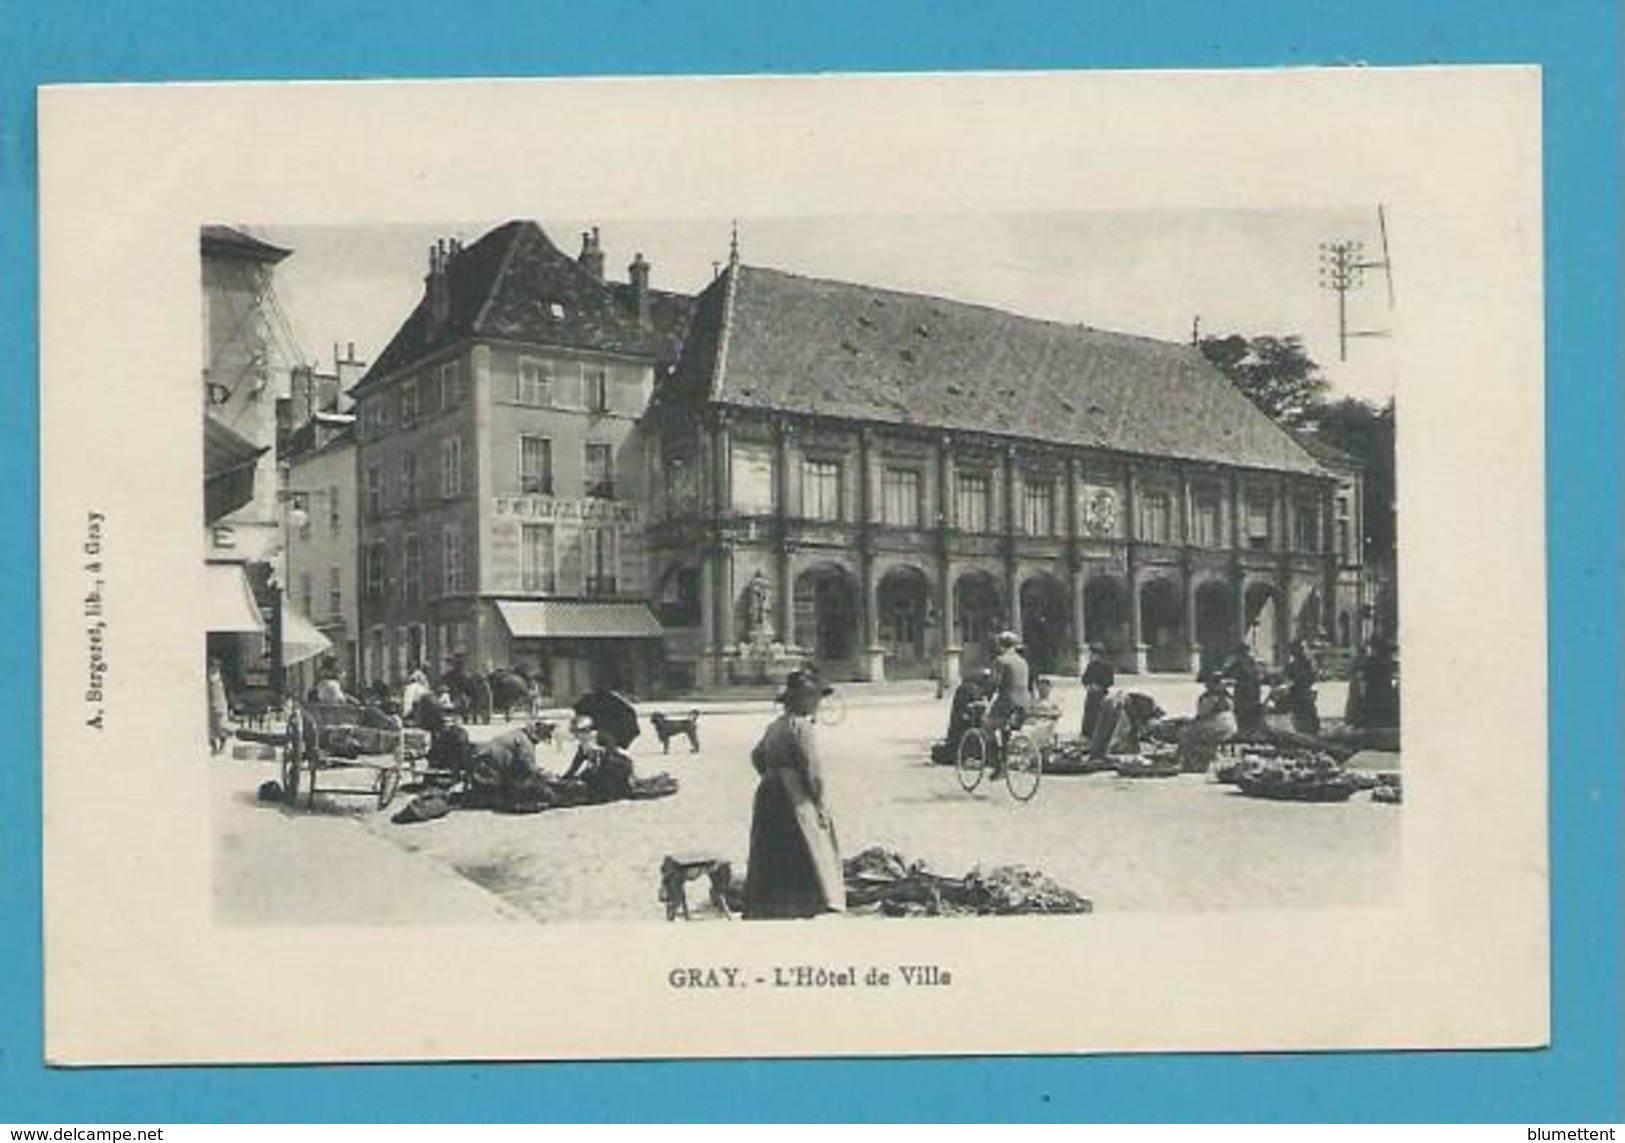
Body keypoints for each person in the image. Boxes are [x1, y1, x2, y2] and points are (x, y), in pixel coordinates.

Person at [743, 671, 845, 920]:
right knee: (805, 843)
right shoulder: (802, 727)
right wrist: (819, 803)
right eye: (814, 698)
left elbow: (756, 756)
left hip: (768, 792)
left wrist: (772, 776)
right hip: (794, 794)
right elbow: (812, 770)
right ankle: (804, 901)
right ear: (803, 700)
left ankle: (768, 902)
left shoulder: (775, 725)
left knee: (771, 847)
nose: (818, 703)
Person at [465, 720, 553, 806]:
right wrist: (547, 775)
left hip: (481, 758)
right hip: (484, 766)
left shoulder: (519, 734)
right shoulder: (525, 743)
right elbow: (529, 767)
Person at [985, 631, 1031, 775]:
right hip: (1025, 701)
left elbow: (994, 683)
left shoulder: (1001, 660)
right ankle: (1004, 760)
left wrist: (985, 696)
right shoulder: (1023, 661)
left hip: (1008, 700)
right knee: (1006, 729)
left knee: (988, 725)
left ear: (1000, 645)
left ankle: (996, 763)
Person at [561, 714, 635, 802]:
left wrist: (600, 752)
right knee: (586, 778)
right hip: (604, 767)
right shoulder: (583, 745)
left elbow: (611, 753)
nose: (576, 736)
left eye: (578, 732)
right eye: (574, 733)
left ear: (586, 730)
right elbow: (576, 764)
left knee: (598, 779)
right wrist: (565, 778)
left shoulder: (601, 736)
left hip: (620, 765)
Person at [1176, 672, 1238, 772]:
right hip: (1231, 727)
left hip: (1217, 726)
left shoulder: (1210, 696)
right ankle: (1205, 758)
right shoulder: (1228, 696)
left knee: (1184, 733)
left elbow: (1203, 714)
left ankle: (1193, 763)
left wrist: (1190, 722)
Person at [1221, 643, 1265, 736]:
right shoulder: (1255, 662)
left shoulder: (1239, 661)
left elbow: (1227, 672)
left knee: (1242, 709)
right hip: (1254, 689)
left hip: (1243, 689)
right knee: (1251, 708)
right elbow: (1262, 675)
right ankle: (1252, 730)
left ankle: (1243, 730)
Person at [1283, 639, 1321, 735]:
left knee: (1302, 717)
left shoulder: (1293, 666)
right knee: (1310, 718)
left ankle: (1306, 735)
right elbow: (1314, 677)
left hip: (1298, 695)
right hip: (1305, 694)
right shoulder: (1308, 664)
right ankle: (1311, 734)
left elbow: (1288, 682)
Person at [1079, 643, 1115, 738]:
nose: (1090, 656)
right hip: (1091, 695)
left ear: (1098, 655)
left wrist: (1099, 686)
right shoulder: (1090, 666)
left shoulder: (1108, 666)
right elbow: (1084, 679)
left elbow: (1110, 681)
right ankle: (1087, 734)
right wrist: (1088, 685)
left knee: (1100, 716)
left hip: (1101, 696)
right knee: (1089, 716)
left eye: (1092, 654)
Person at [207, 658, 231, 755]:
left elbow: (227, 692)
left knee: (221, 727)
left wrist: (228, 705)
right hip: (210, 704)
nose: (214, 668)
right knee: (210, 728)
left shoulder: (223, 678)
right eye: (213, 666)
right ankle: (214, 748)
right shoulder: (207, 677)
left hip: (220, 703)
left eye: (216, 667)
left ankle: (222, 747)